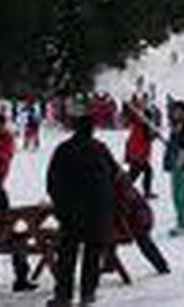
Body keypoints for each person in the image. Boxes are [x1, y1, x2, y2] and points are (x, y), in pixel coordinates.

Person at [46, 101, 116, 307]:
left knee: (67, 255)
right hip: (98, 210)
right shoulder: (100, 149)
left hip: (71, 212)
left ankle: (63, 296)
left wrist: (60, 206)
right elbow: (114, 174)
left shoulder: (64, 150)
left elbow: (52, 181)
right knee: (92, 254)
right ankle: (87, 293)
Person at [0, 114, 37, 293]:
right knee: (16, 232)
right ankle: (21, 277)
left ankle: (20, 277)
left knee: (9, 227)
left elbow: (4, 158)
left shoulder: (5, 140)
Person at [113, 167, 170, 274]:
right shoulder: (121, 182)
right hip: (137, 217)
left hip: (137, 219)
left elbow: (125, 206)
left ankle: (161, 265)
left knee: (143, 241)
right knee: (144, 241)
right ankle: (161, 265)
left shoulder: (120, 187)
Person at [163, 100, 184, 236]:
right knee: (176, 196)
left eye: (177, 111)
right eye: (174, 111)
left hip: (181, 166)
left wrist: (178, 163)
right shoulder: (177, 127)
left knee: (181, 196)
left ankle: (183, 224)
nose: (174, 113)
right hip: (175, 165)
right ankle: (180, 221)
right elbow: (173, 144)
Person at [125, 114, 156, 198]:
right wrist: (137, 157)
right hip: (137, 156)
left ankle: (147, 191)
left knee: (147, 172)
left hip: (141, 156)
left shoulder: (144, 127)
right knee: (133, 175)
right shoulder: (139, 127)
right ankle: (123, 190)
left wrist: (153, 136)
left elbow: (147, 139)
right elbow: (135, 143)